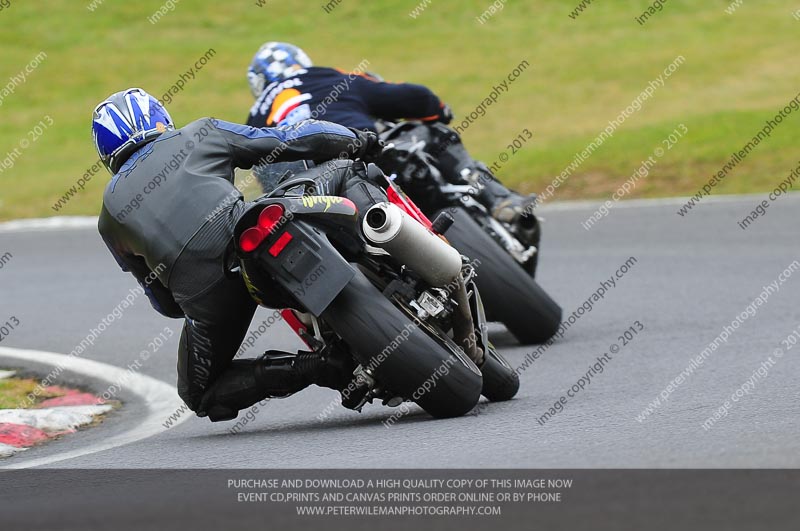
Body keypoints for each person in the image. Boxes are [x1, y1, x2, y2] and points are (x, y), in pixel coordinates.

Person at [93, 87, 385, 422]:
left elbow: (165, 304)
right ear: (160, 118)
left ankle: (323, 367)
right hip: (248, 237)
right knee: (347, 167)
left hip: (207, 297)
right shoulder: (199, 133)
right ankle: (384, 246)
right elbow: (289, 139)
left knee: (198, 394)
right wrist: (360, 139)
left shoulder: (108, 217)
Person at [244, 41, 537, 239]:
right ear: (301, 62)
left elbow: (261, 172)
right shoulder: (325, 77)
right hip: (365, 156)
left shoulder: (254, 118)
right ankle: (500, 201)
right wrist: (437, 110)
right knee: (436, 134)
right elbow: (407, 97)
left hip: (310, 194)